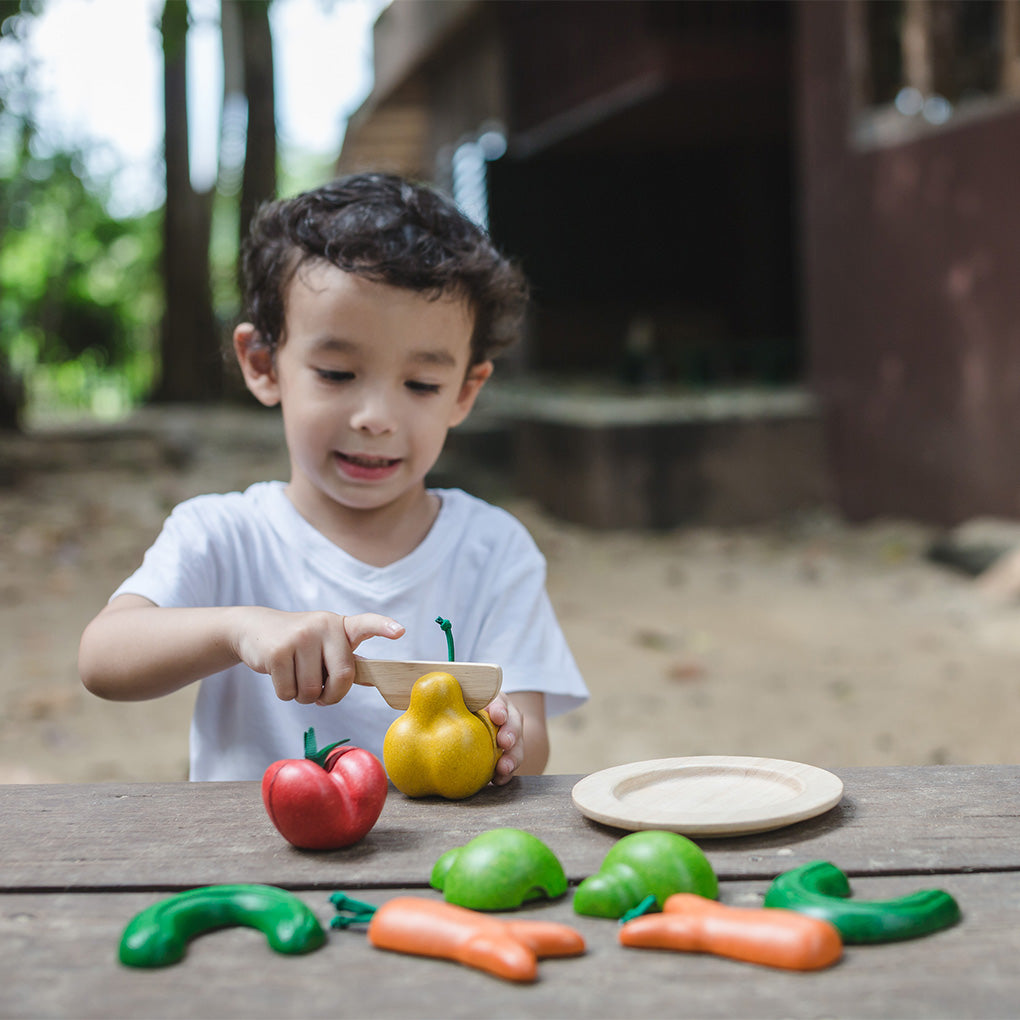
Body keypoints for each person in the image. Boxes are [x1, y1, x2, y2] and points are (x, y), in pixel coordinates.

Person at [78, 172, 588, 783]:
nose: (376, 418)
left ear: (464, 391)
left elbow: (532, 744)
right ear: (264, 364)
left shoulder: (493, 550)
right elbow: (103, 657)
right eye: (337, 373)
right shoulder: (222, 534)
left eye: (422, 385)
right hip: (250, 869)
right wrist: (240, 629)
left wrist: (503, 738)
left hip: (427, 871)